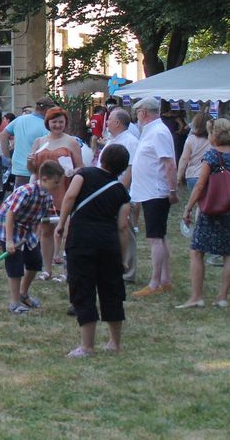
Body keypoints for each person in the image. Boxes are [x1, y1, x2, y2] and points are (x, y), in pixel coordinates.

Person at [55, 144, 133, 357]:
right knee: (112, 291)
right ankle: (114, 343)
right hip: (108, 243)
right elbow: (123, 227)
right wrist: (124, 257)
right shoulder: (121, 192)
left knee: (83, 289)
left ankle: (87, 346)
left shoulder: (84, 174)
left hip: (81, 240)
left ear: (102, 158)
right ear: (123, 167)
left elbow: (70, 197)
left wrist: (61, 224)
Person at [0, 161, 62, 314]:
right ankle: (14, 302)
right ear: (44, 179)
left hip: (27, 229)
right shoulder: (27, 191)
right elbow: (10, 214)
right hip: (9, 226)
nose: (58, 186)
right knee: (15, 263)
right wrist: (10, 241)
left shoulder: (46, 196)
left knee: (35, 262)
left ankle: (23, 294)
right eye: (56, 182)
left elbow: (49, 218)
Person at [178, 118, 230, 309]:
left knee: (197, 250)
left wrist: (188, 207)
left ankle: (197, 296)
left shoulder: (212, 156)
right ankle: (222, 297)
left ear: (215, 135)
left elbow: (200, 185)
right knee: (229, 254)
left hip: (212, 208)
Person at [129, 97, 179, 298]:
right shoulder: (151, 131)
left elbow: (169, 163)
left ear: (143, 113)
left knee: (155, 238)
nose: (137, 118)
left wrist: (172, 190)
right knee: (159, 237)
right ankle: (164, 279)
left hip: (156, 192)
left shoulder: (158, 132)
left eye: (138, 113)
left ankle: (155, 282)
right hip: (150, 191)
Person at [27, 107, 84, 280]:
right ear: (48, 123)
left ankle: (68, 269)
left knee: (66, 231)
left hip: (64, 189)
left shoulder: (71, 142)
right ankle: (47, 269)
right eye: (54, 122)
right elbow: (32, 169)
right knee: (45, 231)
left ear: (65, 123)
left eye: (61, 122)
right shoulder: (39, 141)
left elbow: (81, 166)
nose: (57, 125)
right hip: (44, 192)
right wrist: (29, 162)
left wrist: (72, 171)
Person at [102, 108, 140, 283]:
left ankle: (128, 270)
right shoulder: (113, 140)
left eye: (109, 119)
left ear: (117, 123)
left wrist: (120, 190)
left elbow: (131, 169)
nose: (107, 122)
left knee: (125, 229)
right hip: (107, 191)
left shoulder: (130, 141)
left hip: (120, 193)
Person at [0, 97, 56, 187]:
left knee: (20, 196)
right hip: (36, 170)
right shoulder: (45, 126)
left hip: (18, 168)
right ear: (47, 109)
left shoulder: (19, 119)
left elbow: (3, 135)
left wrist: (7, 157)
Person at [178, 113, 212, 193]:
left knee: (199, 202)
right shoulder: (214, 139)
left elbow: (184, 159)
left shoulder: (190, 140)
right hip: (210, 176)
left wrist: (179, 177)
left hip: (192, 176)